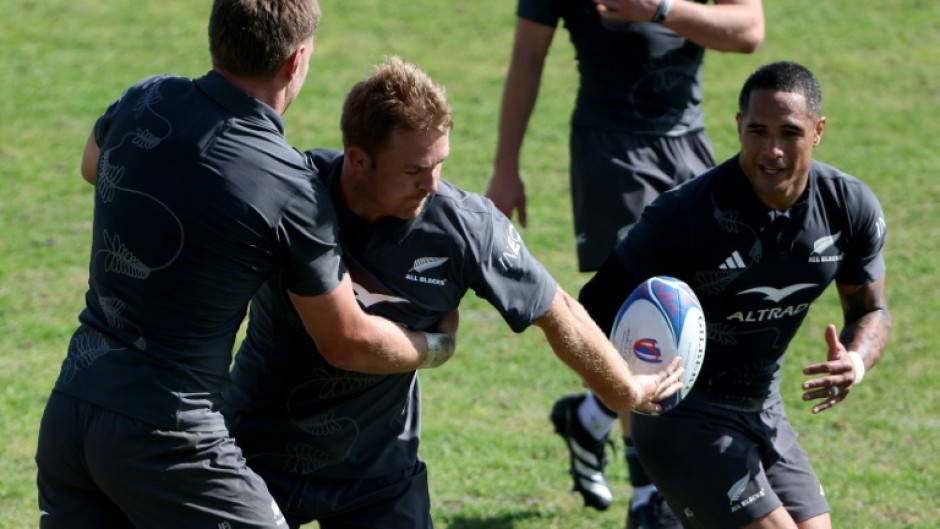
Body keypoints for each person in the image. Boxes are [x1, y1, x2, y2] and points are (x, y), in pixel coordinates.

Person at [34, 3, 458, 528]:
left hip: (71, 410)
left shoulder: (149, 97)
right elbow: (345, 339)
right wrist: (434, 347)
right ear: (296, 59)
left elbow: (93, 165)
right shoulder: (288, 187)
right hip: (168, 435)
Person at [223, 56, 683, 529]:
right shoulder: (295, 195)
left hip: (377, 475)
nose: (432, 185)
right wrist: (437, 347)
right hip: (257, 454)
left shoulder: (464, 226)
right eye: (414, 171)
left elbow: (557, 308)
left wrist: (624, 389)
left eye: (440, 163)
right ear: (359, 160)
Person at [575, 61, 891, 529]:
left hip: (763, 409)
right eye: (758, 131)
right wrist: (623, 382)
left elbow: (871, 310)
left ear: (818, 130)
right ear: (739, 125)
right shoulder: (683, 215)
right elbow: (589, 313)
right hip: (683, 417)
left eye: (789, 133)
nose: (772, 150)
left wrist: (856, 361)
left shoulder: (848, 207)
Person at [486, 0, 765, 524]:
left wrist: (658, 9)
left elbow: (748, 31)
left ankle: (590, 418)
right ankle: (648, 499)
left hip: (689, 144)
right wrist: (506, 167)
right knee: (641, 316)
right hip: (611, 152)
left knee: (699, 317)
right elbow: (527, 57)